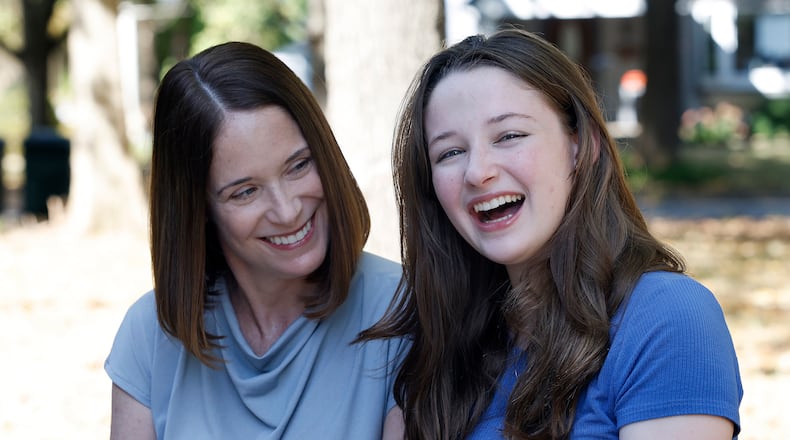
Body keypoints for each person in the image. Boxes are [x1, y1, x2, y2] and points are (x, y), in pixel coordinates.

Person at [360, 28, 742, 439]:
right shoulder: (437, 346)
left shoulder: (667, 318)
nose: (477, 171)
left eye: (509, 136)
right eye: (450, 152)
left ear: (582, 145)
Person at [105, 41, 406, 439]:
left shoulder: (404, 312)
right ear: (199, 210)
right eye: (244, 192)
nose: (287, 210)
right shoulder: (149, 334)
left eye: (298, 165)